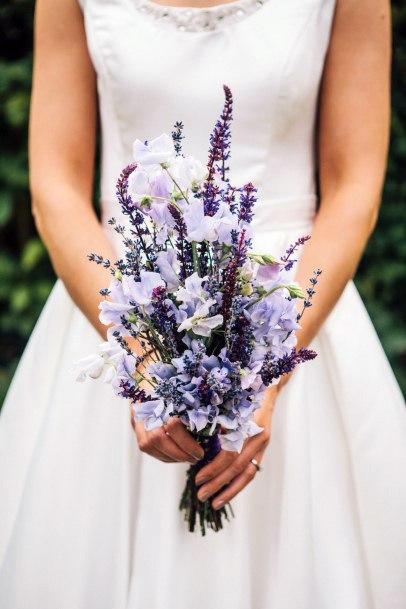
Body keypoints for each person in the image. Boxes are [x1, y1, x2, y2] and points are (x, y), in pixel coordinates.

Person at [1, 0, 405, 607]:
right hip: (119, 303)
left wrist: (266, 371)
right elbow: (55, 185)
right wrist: (146, 360)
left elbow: (354, 186)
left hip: (292, 306)